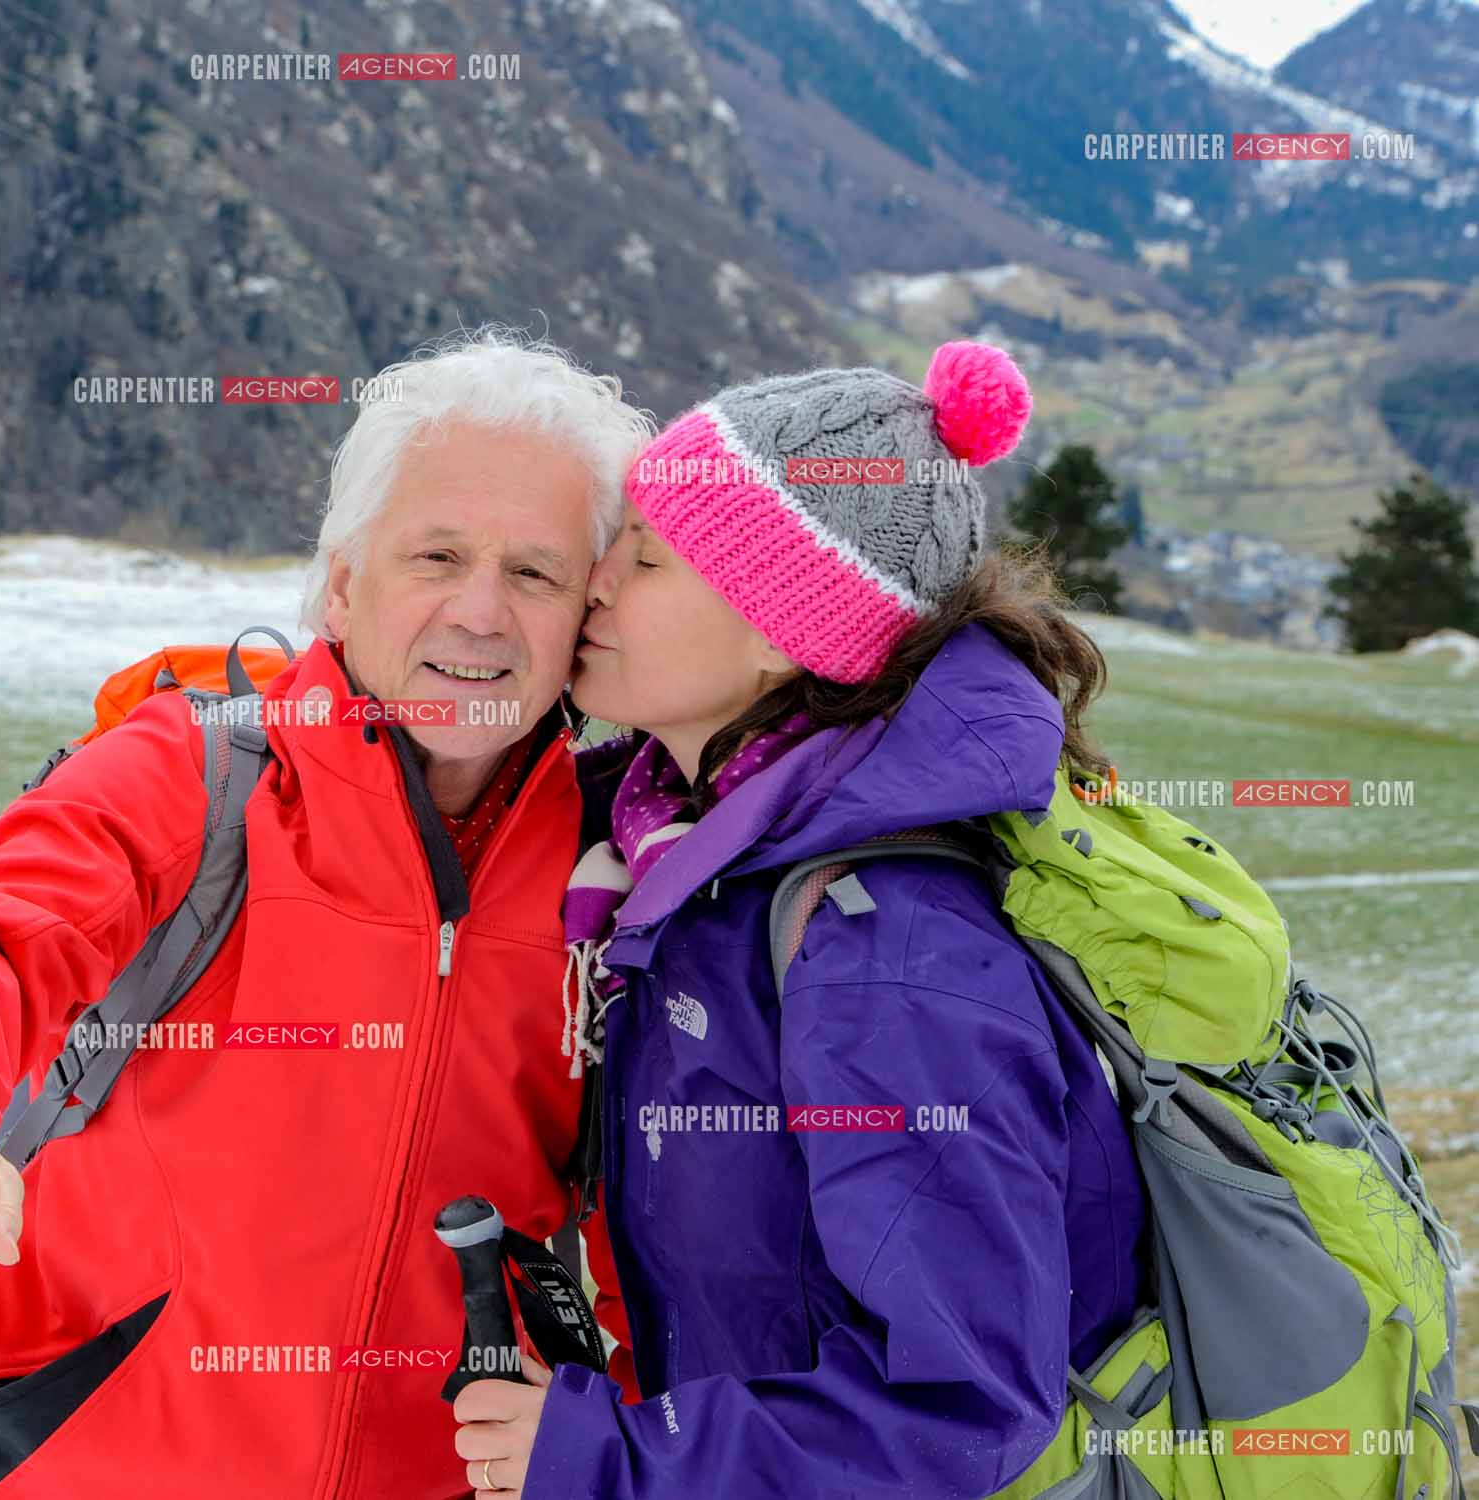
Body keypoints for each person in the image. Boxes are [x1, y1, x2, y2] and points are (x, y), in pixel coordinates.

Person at [0, 325, 652, 1499]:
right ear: (344, 582)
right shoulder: (198, 777)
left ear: (585, 617)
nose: (480, 613)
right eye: (436, 556)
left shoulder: (613, 869)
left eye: (533, 573)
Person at [451, 341, 1148, 1497]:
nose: (600, 583)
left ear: (783, 633)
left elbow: (961, 1408)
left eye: (651, 559)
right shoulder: (683, 856)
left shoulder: (885, 956)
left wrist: (613, 1460)